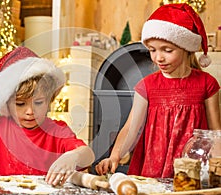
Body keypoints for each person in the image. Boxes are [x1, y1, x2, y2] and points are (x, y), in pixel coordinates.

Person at [95, 3, 221, 178]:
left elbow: (215, 133)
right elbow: (131, 128)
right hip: (154, 168)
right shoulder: (147, 85)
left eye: (167, 50)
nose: (158, 58)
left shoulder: (207, 84)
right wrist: (114, 156)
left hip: (194, 170)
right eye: (152, 50)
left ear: (186, 48)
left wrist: (218, 166)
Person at [0, 46, 95, 186]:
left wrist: (73, 157)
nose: (30, 111)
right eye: (20, 104)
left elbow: (88, 155)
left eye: (38, 102)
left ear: (49, 100)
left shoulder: (58, 131)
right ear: (6, 104)